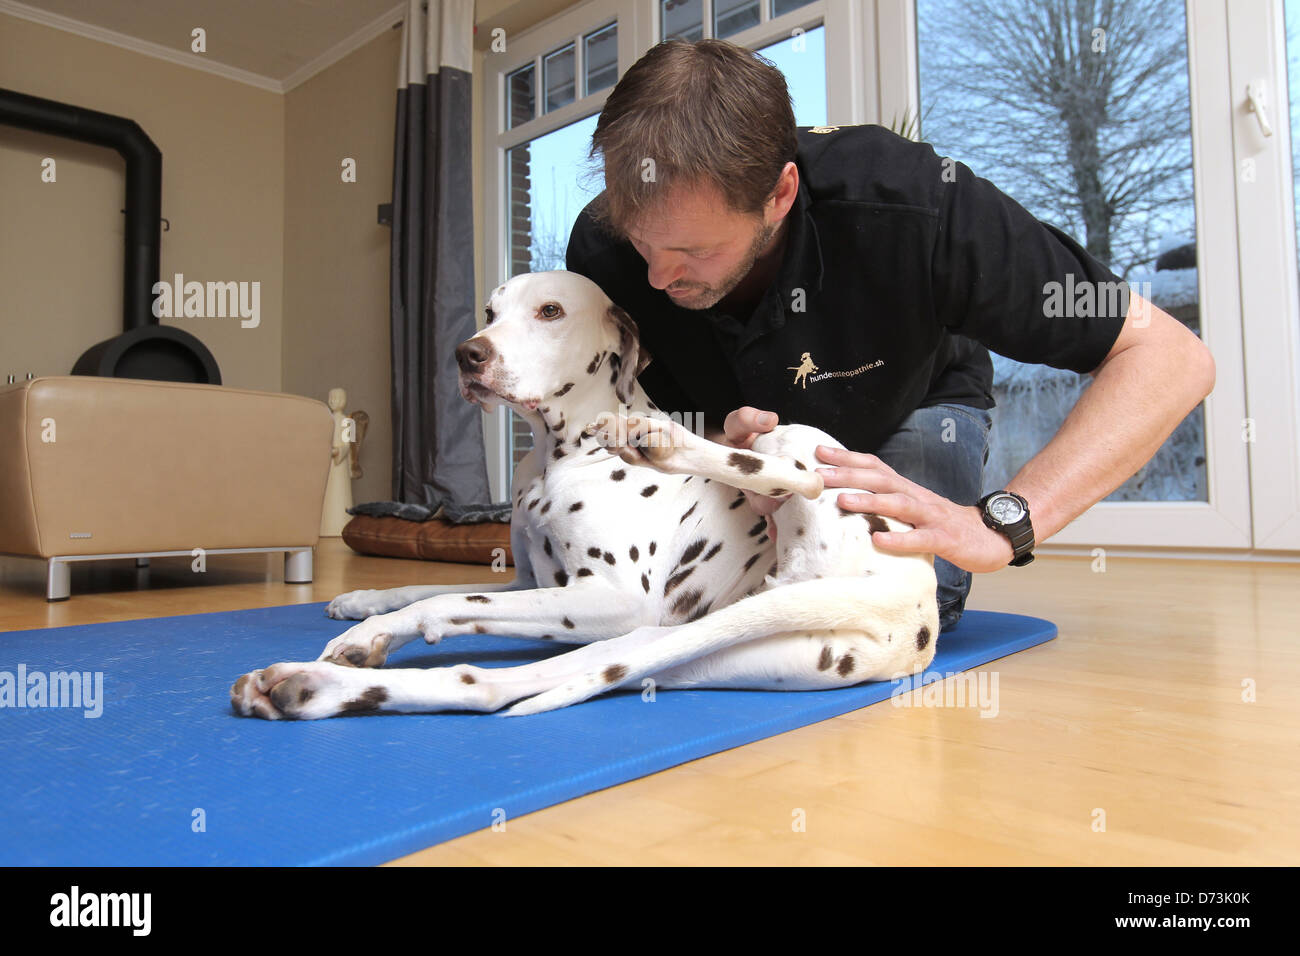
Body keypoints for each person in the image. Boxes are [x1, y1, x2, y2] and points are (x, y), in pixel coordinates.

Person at [564, 39, 1215, 632]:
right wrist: (715, 454)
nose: (656, 276)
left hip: (915, 405)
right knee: (673, 605)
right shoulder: (601, 250)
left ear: (780, 194)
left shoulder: (914, 205)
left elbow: (1169, 356)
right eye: (642, 242)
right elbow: (636, 426)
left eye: (693, 251)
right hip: (747, 457)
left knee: (874, 613)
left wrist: (1001, 522)